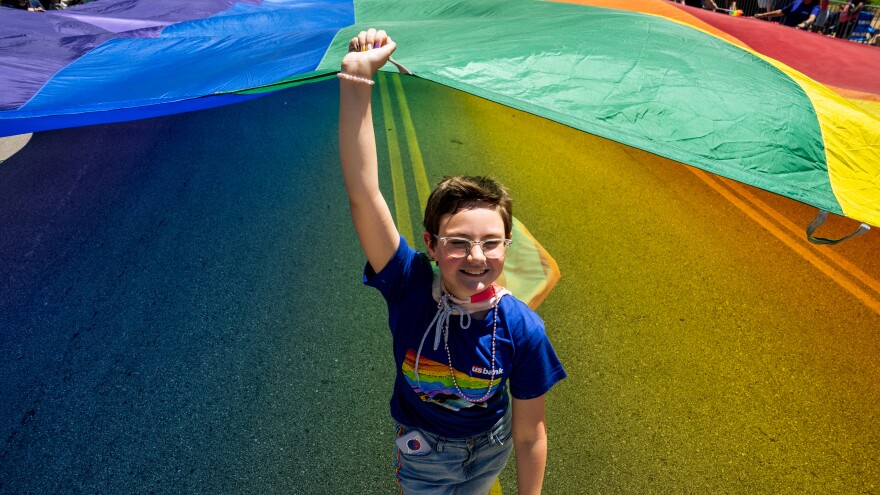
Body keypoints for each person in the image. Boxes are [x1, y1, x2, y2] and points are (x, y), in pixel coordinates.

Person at [338, 28, 567, 494]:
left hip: (491, 449)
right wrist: (357, 78)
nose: (477, 257)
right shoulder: (408, 284)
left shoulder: (522, 329)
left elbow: (530, 434)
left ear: (507, 245)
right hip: (422, 454)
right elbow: (364, 194)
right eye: (458, 242)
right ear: (431, 244)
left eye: (492, 242)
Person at [754, 0, 820, 27]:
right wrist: (762, 15)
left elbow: (812, 18)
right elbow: (781, 12)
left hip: (799, 32)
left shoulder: (815, 7)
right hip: (786, 29)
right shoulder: (797, 2)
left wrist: (804, 23)